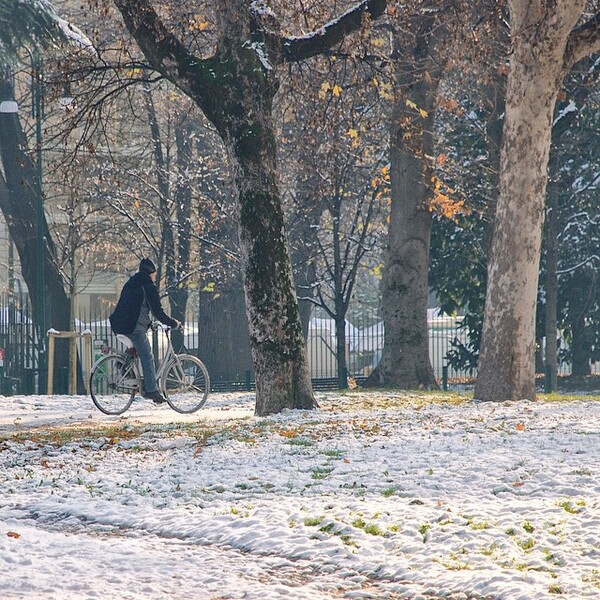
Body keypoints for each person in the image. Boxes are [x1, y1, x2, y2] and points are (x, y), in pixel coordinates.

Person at [109, 258, 181, 404]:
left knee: (136, 350)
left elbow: (134, 308)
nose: (154, 277)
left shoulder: (131, 283)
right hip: (134, 328)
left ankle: (123, 365)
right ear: (150, 273)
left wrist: (148, 323)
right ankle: (152, 391)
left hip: (119, 325)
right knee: (147, 356)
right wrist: (173, 323)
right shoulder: (148, 286)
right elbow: (157, 312)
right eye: (154, 274)